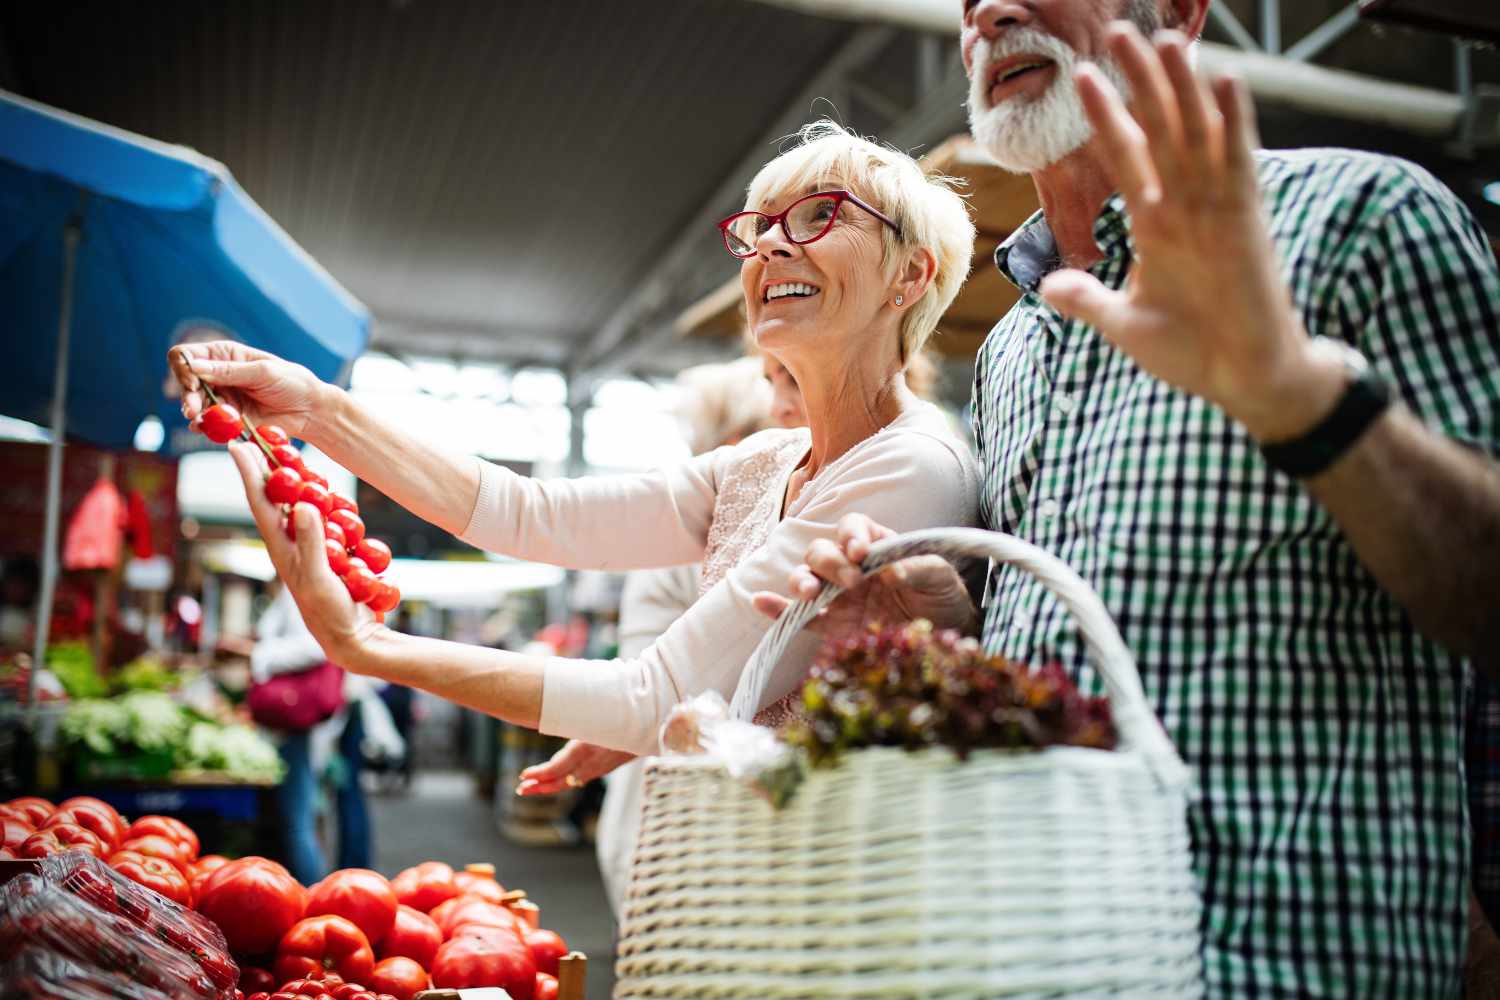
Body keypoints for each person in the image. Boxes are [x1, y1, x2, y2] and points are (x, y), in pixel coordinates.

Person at [756, 2, 1500, 996]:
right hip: (1027, 953)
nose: (992, 10)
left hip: (1280, 967)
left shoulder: (1363, 217)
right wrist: (955, 617)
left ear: (1183, 12)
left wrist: (1296, 390)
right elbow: (1075, 643)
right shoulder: (1013, 348)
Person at [169, 121, 979, 765]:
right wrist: (317, 412)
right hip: (738, 869)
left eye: (817, 217)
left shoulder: (908, 465)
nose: (769, 245)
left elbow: (652, 696)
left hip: (841, 899)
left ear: (910, 277)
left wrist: (368, 645)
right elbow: (530, 513)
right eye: (759, 227)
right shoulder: (764, 463)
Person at [531, 354, 806, 918]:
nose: (797, 424)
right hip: (677, 834)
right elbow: (662, 699)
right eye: (781, 407)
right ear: (739, 444)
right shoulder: (707, 541)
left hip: (722, 826)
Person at [250, 584, 402, 882]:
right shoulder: (314, 585)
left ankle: (317, 891)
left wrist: (261, 655)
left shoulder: (307, 588)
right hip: (318, 712)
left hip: (303, 715)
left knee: (301, 813)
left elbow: (319, 645)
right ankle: (346, 878)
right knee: (324, 802)